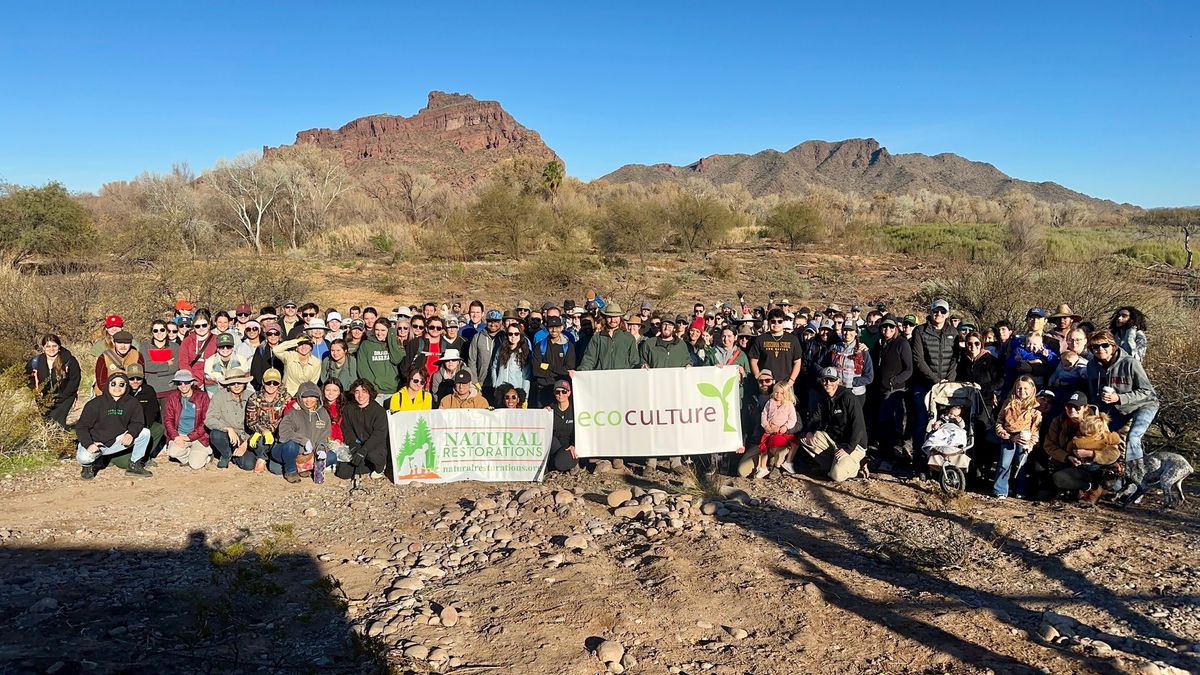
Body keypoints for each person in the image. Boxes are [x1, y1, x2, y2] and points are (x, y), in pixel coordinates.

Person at [1085, 329, 1158, 471]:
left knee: (1133, 437)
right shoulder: (1092, 366)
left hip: (1144, 404)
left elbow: (1148, 392)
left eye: (1104, 345)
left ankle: (1137, 476)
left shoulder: (1130, 363)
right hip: (1117, 409)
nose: (1100, 349)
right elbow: (1094, 393)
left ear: (1113, 346)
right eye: (1095, 346)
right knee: (1104, 437)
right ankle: (1112, 476)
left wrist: (1119, 398)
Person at [75, 372, 152, 479]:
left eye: (121, 384)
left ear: (126, 386)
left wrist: (131, 433)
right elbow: (81, 426)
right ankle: (87, 467)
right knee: (84, 458)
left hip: (117, 441)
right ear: (108, 385)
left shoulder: (132, 403)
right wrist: (89, 444)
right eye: (113, 384)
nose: (117, 387)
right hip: (96, 444)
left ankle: (134, 464)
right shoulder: (95, 403)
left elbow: (138, 422)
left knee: (145, 433)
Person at [799, 367, 869, 482]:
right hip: (835, 441)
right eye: (825, 380)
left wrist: (849, 448)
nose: (828, 383)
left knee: (836, 476)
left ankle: (859, 465)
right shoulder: (824, 400)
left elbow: (859, 426)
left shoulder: (848, 397)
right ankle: (831, 465)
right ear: (821, 381)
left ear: (838, 381)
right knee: (803, 438)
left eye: (832, 380)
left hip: (854, 445)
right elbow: (815, 418)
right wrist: (810, 431)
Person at [1050, 400, 1123, 506]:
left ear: (1085, 408)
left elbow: (1114, 452)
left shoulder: (1099, 431)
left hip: (1099, 467)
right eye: (1069, 407)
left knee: (1111, 481)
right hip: (1080, 467)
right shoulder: (1062, 423)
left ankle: (1098, 489)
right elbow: (1053, 446)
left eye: (1077, 408)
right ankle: (1086, 488)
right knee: (1060, 478)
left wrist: (1091, 454)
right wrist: (1068, 456)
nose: (1072, 411)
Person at [910, 299, 957, 448]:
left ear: (947, 314)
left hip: (946, 387)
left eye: (942, 311)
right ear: (931, 312)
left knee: (942, 423)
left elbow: (955, 359)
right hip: (924, 385)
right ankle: (918, 461)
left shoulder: (953, 333)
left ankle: (936, 463)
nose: (939, 314)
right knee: (922, 423)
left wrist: (948, 381)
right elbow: (918, 359)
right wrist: (936, 380)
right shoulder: (920, 331)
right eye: (936, 311)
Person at [872, 316, 912, 471]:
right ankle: (884, 455)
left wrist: (893, 381)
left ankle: (892, 459)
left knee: (894, 425)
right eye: (884, 327)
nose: (887, 330)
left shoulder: (902, 344)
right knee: (882, 424)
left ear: (896, 328)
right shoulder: (880, 343)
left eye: (890, 327)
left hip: (896, 391)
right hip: (880, 390)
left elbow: (909, 370)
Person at [992, 375, 1042, 499]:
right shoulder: (1009, 403)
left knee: (1021, 465)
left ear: (1032, 389)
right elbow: (999, 421)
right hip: (1008, 436)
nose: (1022, 391)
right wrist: (1004, 434)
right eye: (1019, 388)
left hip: (1024, 438)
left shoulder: (1035, 408)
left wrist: (1031, 443)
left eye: (1026, 388)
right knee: (1004, 463)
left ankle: (1020, 489)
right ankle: (1000, 490)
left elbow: (1035, 429)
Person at [275, 382, 332, 484]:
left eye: (312, 397)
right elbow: (283, 432)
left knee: (332, 457)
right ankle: (291, 471)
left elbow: (325, 435)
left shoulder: (323, 413)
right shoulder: (294, 412)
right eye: (305, 397)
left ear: (318, 397)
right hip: (289, 449)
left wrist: (321, 448)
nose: (308, 400)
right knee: (290, 447)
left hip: (309, 454)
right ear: (300, 397)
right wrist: (303, 441)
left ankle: (302, 468)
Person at [336, 379, 390, 483]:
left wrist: (363, 451)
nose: (360, 395)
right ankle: (366, 465)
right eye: (357, 392)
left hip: (373, 446)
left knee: (373, 456)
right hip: (357, 445)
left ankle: (379, 466)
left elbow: (379, 435)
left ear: (370, 393)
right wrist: (354, 447)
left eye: (364, 391)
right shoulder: (349, 408)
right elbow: (347, 429)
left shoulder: (378, 411)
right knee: (342, 472)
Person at [162, 369, 212, 470]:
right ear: (176, 384)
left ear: (191, 382)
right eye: (179, 383)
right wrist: (175, 436)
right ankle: (191, 454)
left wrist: (190, 437)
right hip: (180, 435)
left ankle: (205, 454)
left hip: (199, 437)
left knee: (195, 465)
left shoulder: (202, 397)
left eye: (186, 382)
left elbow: (206, 420)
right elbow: (168, 420)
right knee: (173, 452)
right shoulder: (172, 397)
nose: (183, 385)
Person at [205, 367, 254, 469]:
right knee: (215, 434)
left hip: (245, 437)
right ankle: (226, 454)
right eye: (232, 383)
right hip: (226, 436)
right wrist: (227, 428)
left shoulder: (252, 397)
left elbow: (258, 423)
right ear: (228, 385)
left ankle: (235, 455)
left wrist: (246, 443)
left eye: (239, 383)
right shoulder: (219, 396)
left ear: (244, 383)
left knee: (248, 465)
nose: (236, 386)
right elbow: (209, 419)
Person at [28, 334, 81, 427]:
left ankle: (62, 440)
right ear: (43, 347)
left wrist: (63, 396)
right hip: (43, 398)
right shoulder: (36, 361)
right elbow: (27, 377)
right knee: (47, 423)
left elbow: (75, 379)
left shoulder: (69, 360)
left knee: (58, 422)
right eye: (48, 346)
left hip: (65, 397)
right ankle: (55, 440)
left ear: (59, 346)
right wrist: (35, 390)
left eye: (54, 346)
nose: (51, 349)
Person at [749, 308, 804, 396]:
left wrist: (791, 381)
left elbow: (797, 362)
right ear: (769, 322)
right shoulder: (760, 339)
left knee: (786, 408)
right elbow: (753, 360)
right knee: (765, 409)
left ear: (784, 322)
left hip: (785, 384)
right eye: (773, 321)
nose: (776, 324)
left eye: (779, 321)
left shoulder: (792, 339)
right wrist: (759, 377)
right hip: (766, 384)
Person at [244, 368, 287, 474]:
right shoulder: (254, 398)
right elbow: (251, 421)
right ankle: (262, 459)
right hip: (259, 436)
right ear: (263, 382)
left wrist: (271, 430)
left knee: (276, 470)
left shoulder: (286, 398)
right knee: (258, 444)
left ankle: (264, 458)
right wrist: (264, 431)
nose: (271, 385)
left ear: (279, 384)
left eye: (275, 382)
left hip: (278, 436)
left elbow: (287, 419)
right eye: (268, 382)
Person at [357, 317, 407, 404]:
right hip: (376, 392)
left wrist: (391, 337)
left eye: (383, 330)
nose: (379, 333)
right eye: (377, 330)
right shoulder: (366, 345)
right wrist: (372, 389)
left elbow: (397, 359)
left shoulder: (395, 343)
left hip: (393, 390)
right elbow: (362, 370)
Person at [530, 316, 577, 407]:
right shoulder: (540, 346)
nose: (554, 330)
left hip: (562, 390)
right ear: (547, 328)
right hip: (543, 389)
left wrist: (548, 367)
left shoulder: (568, 346)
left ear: (561, 328)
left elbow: (569, 369)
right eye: (551, 327)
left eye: (557, 327)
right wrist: (559, 371)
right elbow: (536, 370)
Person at [577, 304, 641, 371]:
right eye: (609, 317)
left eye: (615, 317)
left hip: (622, 379)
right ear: (605, 318)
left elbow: (634, 362)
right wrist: (581, 371)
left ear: (620, 318)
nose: (612, 320)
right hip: (602, 378)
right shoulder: (597, 338)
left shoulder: (629, 338)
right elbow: (589, 360)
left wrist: (641, 366)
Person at [756, 382, 799, 479]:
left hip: (782, 431)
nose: (778, 395)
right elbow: (764, 415)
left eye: (781, 393)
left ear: (787, 394)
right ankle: (763, 468)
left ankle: (788, 462)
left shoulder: (789, 405)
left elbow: (793, 419)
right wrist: (766, 426)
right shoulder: (770, 402)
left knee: (795, 444)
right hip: (770, 430)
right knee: (764, 448)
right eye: (776, 392)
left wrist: (786, 427)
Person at [825, 323, 874, 406]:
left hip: (856, 394)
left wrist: (852, 382)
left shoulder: (862, 351)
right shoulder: (834, 348)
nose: (847, 333)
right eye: (845, 330)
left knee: (855, 418)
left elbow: (869, 377)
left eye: (851, 330)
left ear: (856, 332)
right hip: (837, 393)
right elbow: (823, 366)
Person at [125, 363, 163, 459]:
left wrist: (144, 426)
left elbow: (153, 411)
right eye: (132, 379)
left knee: (159, 428)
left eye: (139, 378)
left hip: (144, 425)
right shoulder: (121, 391)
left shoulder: (149, 390)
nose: (135, 381)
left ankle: (145, 456)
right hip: (124, 427)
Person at [93, 330, 144, 397]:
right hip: (106, 394)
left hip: (129, 394)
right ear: (114, 343)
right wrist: (113, 395)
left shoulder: (137, 355)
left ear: (131, 343)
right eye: (119, 343)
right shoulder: (104, 357)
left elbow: (140, 377)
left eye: (126, 343)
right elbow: (101, 381)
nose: (123, 346)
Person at [178, 309, 218, 388]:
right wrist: (193, 381)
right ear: (194, 327)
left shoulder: (216, 340)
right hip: (193, 382)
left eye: (204, 325)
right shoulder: (187, 341)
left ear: (209, 325)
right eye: (197, 326)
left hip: (213, 381)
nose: (201, 328)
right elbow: (183, 362)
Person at [544, 380, 577, 472]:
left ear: (569, 393)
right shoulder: (550, 409)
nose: (560, 394)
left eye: (564, 391)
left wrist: (574, 445)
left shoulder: (576, 409)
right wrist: (543, 414)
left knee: (560, 463)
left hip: (570, 447)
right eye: (557, 392)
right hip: (555, 446)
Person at [141, 320, 179, 399]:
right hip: (151, 388)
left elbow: (175, 367)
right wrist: (166, 364)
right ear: (152, 333)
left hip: (170, 388)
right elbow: (146, 366)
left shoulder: (175, 347)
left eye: (162, 330)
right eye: (155, 330)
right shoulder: (145, 346)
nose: (159, 333)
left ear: (167, 331)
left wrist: (155, 372)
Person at [491, 324, 532, 396]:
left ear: (520, 335)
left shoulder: (524, 352)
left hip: (516, 391)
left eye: (516, 334)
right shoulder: (501, 349)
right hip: (500, 390)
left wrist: (525, 396)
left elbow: (526, 376)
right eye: (510, 334)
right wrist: (495, 384)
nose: (513, 336)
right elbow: (494, 368)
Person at [250, 324, 286, 390]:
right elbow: (255, 371)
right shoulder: (261, 349)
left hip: (281, 387)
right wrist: (261, 386)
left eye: (276, 333)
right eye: (270, 334)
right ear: (266, 336)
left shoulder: (285, 349)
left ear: (280, 335)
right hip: (264, 386)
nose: (273, 336)